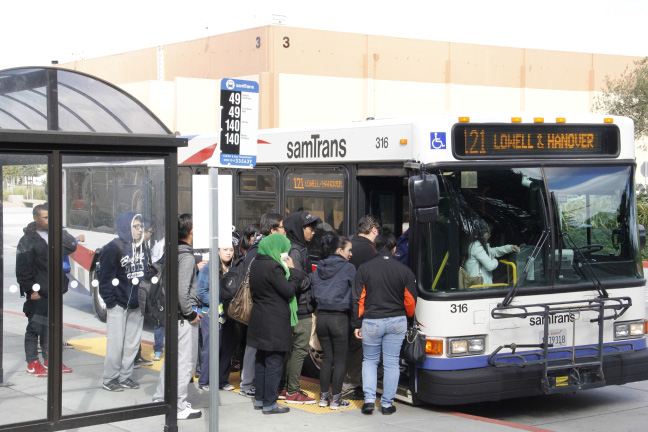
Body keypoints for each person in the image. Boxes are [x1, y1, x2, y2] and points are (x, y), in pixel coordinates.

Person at [352, 232, 417, 415]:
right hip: (397, 321)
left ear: (376, 247)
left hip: (372, 321)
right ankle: (387, 404)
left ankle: (370, 401)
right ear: (394, 248)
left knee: (370, 361)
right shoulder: (404, 270)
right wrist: (409, 317)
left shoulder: (364, 269)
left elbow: (358, 299)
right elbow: (410, 301)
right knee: (391, 363)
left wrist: (357, 323)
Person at [247, 233, 307, 414]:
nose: (284, 253)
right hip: (274, 321)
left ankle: (260, 399)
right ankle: (270, 403)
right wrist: (294, 271)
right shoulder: (274, 267)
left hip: (259, 318)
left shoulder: (256, 263)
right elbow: (288, 290)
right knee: (274, 361)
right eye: (283, 249)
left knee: (261, 360)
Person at [17, 203, 78, 377]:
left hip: (54, 290)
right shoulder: (28, 240)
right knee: (35, 327)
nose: (48, 221)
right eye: (45, 217)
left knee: (50, 327)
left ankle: (50, 359)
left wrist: (58, 228)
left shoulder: (55, 235)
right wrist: (31, 291)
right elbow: (22, 269)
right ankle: (32, 362)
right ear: (36, 218)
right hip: (38, 291)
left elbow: (71, 246)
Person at [153, 214, 203, 419]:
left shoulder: (172, 251)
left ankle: (162, 398)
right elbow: (182, 291)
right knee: (185, 362)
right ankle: (179, 405)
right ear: (191, 232)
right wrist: (191, 313)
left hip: (173, 315)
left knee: (172, 360)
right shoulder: (187, 256)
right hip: (183, 317)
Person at [237, 212, 285, 398]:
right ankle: (248, 383)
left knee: (255, 347)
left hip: (258, 305)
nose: (285, 231)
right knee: (255, 348)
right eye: (282, 227)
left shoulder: (256, 248)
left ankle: (251, 384)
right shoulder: (261, 251)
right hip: (258, 306)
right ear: (273, 230)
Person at [98, 211, 148, 391]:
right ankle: (109, 378)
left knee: (132, 344)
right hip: (118, 303)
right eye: (136, 226)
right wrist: (110, 302)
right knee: (115, 344)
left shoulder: (143, 246)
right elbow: (104, 278)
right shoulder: (113, 247)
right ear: (126, 227)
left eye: (141, 226)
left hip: (136, 303)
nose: (140, 230)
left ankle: (125, 376)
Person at [280, 210, 320, 404]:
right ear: (299, 229)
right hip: (301, 308)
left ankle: (286, 387)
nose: (313, 232)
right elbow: (297, 280)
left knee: (292, 349)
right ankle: (292, 390)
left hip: (296, 306)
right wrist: (313, 277)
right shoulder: (297, 251)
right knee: (299, 350)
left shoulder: (296, 248)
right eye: (310, 228)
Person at [312, 235, 356, 409]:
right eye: (349, 250)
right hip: (339, 318)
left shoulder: (320, 267)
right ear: (340, 250)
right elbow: (355, 295)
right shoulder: (349, 268)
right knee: (340, 360)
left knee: (327, 359)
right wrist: (356, 321)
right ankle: (336, 399)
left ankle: (323, 398)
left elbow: (315, 292)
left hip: (322, 317)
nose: (351, 253)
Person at [342, 214, 381, 400]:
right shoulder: (371, 251)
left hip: (342, 304)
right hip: (361, 306)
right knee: (359, 348)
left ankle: (345, 384)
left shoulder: (346, 243)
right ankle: (352, 385)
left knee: (347, 347)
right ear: (373, 229)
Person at [197, 243, 237, 391]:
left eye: (231, 250)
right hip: (212, 314)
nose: (228, 253)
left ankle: (222, 380)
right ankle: (205, 380)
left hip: (229, 314)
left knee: (227, 348)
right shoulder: (209, 268)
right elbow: (201, 292)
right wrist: (217, 304)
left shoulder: (233, 268)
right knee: (211, 348)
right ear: (218, 250)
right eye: (225, 249)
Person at [462, 220, 520, 285]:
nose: (489, 235)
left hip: (481, 284)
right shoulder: (476, 246)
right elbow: (490, 266)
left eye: (490, 232)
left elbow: (493, 251)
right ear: (480, 233)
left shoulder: (479, 244)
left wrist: (510, 248)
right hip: (479, 285)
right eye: (487, 232)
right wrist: (495, 260)